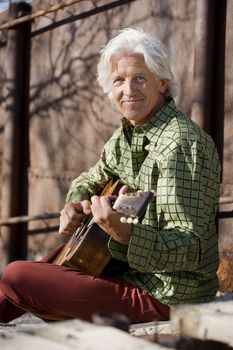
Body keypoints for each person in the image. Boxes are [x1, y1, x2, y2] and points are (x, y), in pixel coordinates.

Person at [0, 28, 221, 325]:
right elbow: (91, 178)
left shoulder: (180, 145)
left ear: (162, 83)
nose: (129, 90)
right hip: (124, 268)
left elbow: (190, 249)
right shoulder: (127, 133)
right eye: (119, 80)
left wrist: (126, 234)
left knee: (17, 275)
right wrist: (74, 204)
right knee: (48, 263)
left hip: (170, 295)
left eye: (140, 77)